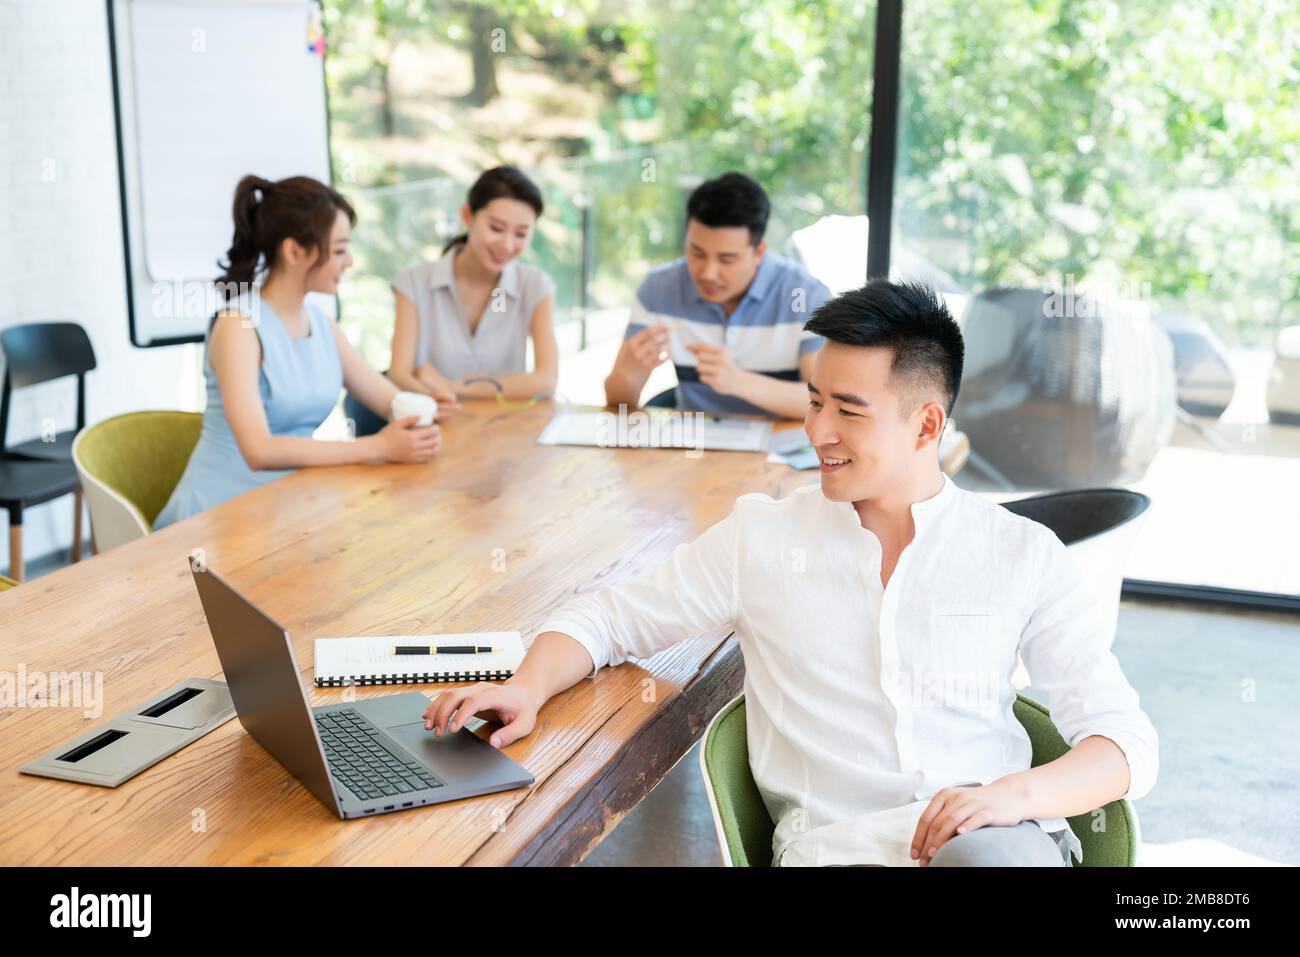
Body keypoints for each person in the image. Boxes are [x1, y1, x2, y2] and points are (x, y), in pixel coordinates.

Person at [421, 280, 1159, 867]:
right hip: (837, 852)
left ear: (927, 425)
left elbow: (1124, 741)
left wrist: (1008, 796)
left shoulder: (1021, 554)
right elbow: (609, 617)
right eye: (813, 401)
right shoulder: (764, 539)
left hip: (994, 849)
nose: (817, 431)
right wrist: (524, 684)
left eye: (847, 410)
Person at [154, 174, 450, 529]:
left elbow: (387, 399)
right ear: (294, 251)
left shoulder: (320, 323)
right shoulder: (239, 325)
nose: (350, 262)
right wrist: (379, 447)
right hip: (217, 517)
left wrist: (428, 406)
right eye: (339, 250)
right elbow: (259, 451)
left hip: (287, 505)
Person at [604, 171, 832, 419]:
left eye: (727, 259)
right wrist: (628, 374)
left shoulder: (805, 295)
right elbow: (618, 401)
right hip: (694, 445)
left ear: (759, 253)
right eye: (697, 253)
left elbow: (822, 403)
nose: (708, 273)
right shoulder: (659, 289)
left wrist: (738, 382)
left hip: (779, 448)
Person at [388, 166, 558, 404]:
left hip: (506, 428)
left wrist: (450, 387)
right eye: (496, 229)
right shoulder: (414, 283)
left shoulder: (535, 286)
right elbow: (399, 374)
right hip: (435, 426)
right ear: (467, 216)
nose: (507, 245)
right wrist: (438, 399)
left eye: (521, 234)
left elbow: (546, 381)